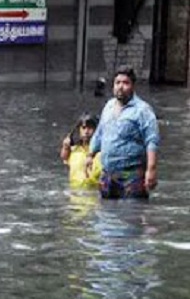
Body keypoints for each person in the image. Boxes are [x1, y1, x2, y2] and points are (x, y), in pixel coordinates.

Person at [87, 66, 160, 199]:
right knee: (105, 215)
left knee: (132, 215)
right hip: (108, 174)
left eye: (125, 83)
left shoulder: (142, 110)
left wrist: (151, 170)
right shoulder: (109, 106)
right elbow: (100, 133)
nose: (120, 86)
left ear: (133, 86)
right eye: (117, 83)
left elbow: (152, 141)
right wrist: (90, 155)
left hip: (132, 175)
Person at [60, 113, 102, 188]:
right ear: (79, 129)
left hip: (95, 190)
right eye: (83, 128)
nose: (86, 131)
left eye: (90, 128)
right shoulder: (74, 150)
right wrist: (65, 147)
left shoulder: (101, 151)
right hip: (75, 190)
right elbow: (64, 157)